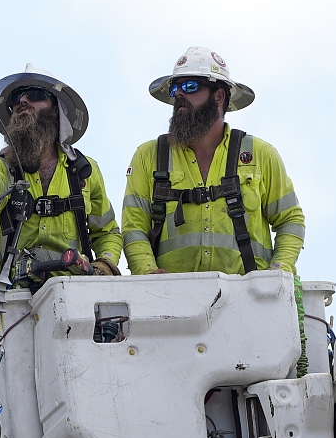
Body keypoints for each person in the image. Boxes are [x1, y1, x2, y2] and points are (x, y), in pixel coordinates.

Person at [121, 46, 308, 373]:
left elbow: (291, 219)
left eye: (190, 87)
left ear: (219, 97)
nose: (179, 96)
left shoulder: (259, 154)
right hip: (172, 313)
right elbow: (134, 226)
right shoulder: (149, 156)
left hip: (249, 308)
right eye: (175, 89)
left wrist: (279, 270)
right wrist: (147, 274)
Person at [0, 64, 122, 284]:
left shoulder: (83, 170)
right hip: (14, 295)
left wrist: (106, 263)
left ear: (56, 108)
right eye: (16, 98)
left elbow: (107, 231)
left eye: (34, 95)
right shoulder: (2, 167)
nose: (23, 101)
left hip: (73, 291)